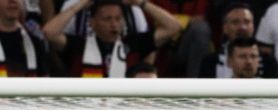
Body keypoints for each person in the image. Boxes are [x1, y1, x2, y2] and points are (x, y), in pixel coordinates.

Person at [43, 0, 181, 77]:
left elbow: (174, 26)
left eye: (118, 19)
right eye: (107, 19)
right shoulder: (81, 46)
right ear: (92, 22)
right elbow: (49, 32)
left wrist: (141, 3)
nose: (114, 24)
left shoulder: (133, 43)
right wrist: (79, 5)